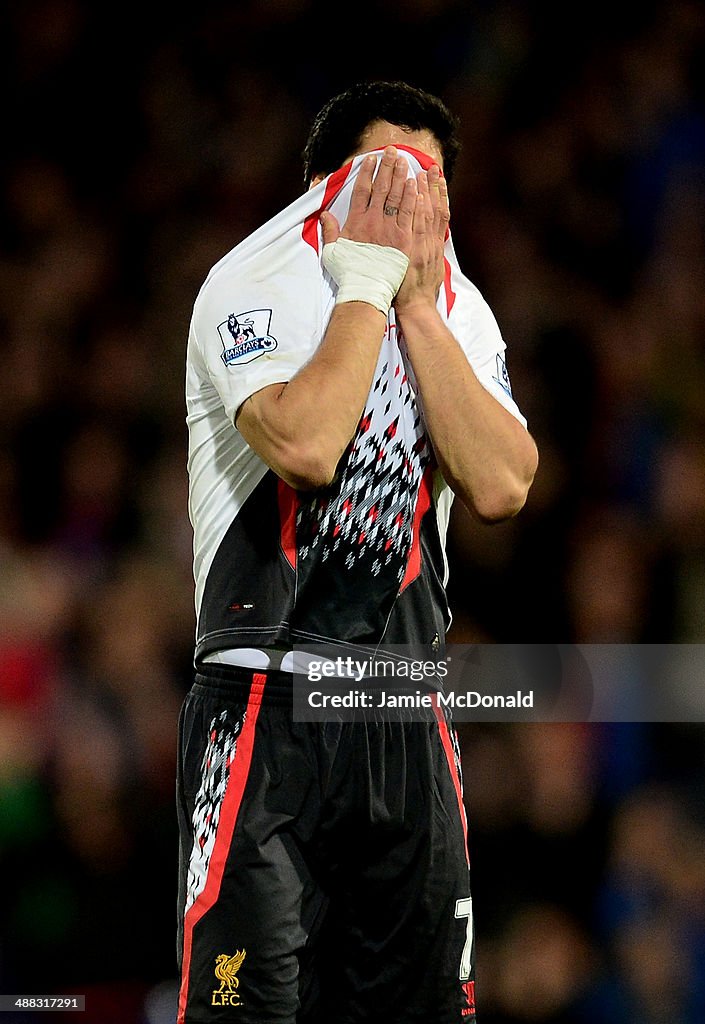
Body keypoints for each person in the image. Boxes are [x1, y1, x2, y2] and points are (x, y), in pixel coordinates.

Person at [177, 80, 538, 1024]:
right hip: (266, 699)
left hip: (405, 705)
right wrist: (368, 282)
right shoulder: (252, 280)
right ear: (325, 185)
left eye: (432, 187)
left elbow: (503, 484)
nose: (411, 205)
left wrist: (414, 309)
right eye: (389, 176)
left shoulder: (458, 307)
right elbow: (305, 445)